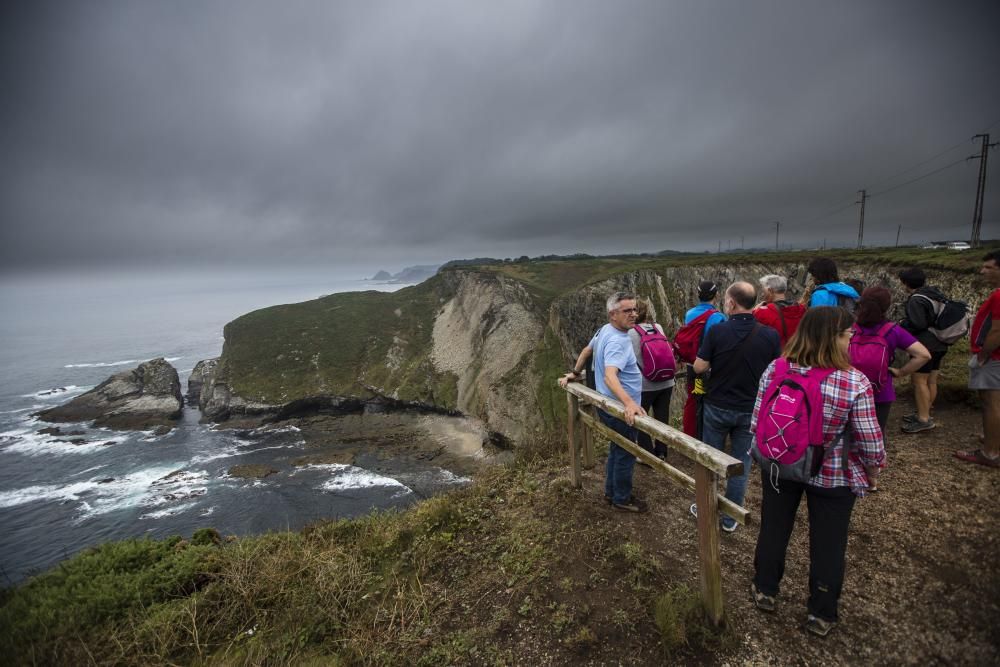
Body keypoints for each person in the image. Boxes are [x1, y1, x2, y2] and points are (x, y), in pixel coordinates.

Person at [749, 307, 885, 637]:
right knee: (828, 542)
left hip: (781, 464)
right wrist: (873, 471)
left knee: (773, 528)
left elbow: (758, 419)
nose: (851, 338)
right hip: (833, 475)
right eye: (847, 334)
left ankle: (765, 589)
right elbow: (869, 440)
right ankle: (820, 613)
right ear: (833, 338)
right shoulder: (854, 382)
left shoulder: (777, 368)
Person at [691, 282, 780, 532]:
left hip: (718, 405)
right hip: (751, 408)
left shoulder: (718, 332)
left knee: (710, 458)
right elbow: (775, 370)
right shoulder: (770, 335)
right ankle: (730, 519)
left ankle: (704, 506)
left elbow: (699, 368)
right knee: (741, 463)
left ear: (731, 303)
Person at [560, 292, 648, 510]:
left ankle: (611, 493)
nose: (634, 314)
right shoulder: (619, 340)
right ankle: (621, 499)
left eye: (635, 309)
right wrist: (629, 403)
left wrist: (574, 372)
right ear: (613, 314)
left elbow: (586, 351)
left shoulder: (604, 330)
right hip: (617, 407)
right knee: (626, 453)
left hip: (606, 404)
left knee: (617, 449)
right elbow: (610, 376)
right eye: (627, 311)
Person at [850, 287, 930, 449]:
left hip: (849, 388)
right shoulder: (892, 331)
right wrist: (901, 372)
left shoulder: (849, 328)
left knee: (847, 431)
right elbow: (924, 355)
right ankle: (874, 465)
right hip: (880, 390)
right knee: (877, 432)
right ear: (886, 307)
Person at [955, 250, 1000, 468]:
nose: (983, 271)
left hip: (993, 358)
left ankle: (990, 453)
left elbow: (998, 331)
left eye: (989, 267)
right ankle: (993, 439)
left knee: (991, 403)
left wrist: (982, 356)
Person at [898, 267, 951, 432]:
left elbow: (918, 324)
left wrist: (901, 324)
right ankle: (925, 412)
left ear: (905, 283)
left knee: (919, 381)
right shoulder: (934, 294)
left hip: (926, 345)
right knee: (931, 380)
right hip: (941, 342)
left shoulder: (916, 299)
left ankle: (923, 419)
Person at [627, 298, 674, 459]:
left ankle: (647, 455)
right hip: (667, 381)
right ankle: (661, 452)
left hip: (644, 384)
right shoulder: (658, 327)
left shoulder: (630, 333)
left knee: (642, 419)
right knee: (662, 417)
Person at [681, 281, 727, 438]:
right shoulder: (718, 317)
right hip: (707, 368)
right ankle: (704, 436)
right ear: (716, 295)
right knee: (707, 401)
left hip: (691, 365)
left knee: (693, 399)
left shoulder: (689, 314)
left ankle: (690, 433)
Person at [753, 274, 806, 348]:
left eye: (763, 290)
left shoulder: (762, 312)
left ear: (770, 291)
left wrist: (754, 312)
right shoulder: (801, 309)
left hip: (775, 356)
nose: (762, 294)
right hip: (796, 353)